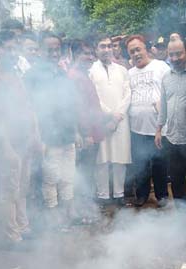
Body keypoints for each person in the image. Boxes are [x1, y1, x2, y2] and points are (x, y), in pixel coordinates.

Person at [0, 29, 38, 246]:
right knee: (9, 190)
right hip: (8, 143)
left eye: (16, 49)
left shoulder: (14, 74)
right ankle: (12, 236)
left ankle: (23, 226)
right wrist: (5, 147)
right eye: (9, 48)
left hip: (23, 140)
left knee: (22, 187)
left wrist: (35, 136)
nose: (13, 53)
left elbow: (28, 107)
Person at [25, 33, 80, 227]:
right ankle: (53, 216)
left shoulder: (61, 72)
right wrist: (37, 136)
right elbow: (29, 108)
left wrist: (76, 131)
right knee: (51, 179)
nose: (55, 53)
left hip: (66, 134)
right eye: (50, 49)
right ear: (40, 51)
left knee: (68, 176)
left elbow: (70, 104)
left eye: (57, 49)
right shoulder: (32, 75)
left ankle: (69, 211)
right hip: (48, 136)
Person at [154, 40, 186, 220]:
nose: (175, 58)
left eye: (179, 54)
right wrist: (159, 129)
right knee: (176, 180)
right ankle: (182, 219)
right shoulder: (166, 77)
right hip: (172, 137)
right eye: (172, 54)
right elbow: (164, 106)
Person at [126, 35, 170, 207]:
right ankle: (142, 195)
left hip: (158, 127)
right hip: (136, 127)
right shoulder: (129, 73)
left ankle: (162, 196)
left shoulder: (161, 66)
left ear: (146, 49)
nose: (136, 54)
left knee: (160, 163)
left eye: (138, 49)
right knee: (140, 163)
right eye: (132, 51)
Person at [89, 36, 132, 206]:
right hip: (101, 121)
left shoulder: (122, 70)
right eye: (102, 46)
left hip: (121, 121)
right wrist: (109, 115)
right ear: (96, 49)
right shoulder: (91, 71)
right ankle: (103, 195)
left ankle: (119, 194)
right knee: (102, 159)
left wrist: (118, 115)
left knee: (119, 159)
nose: (106, 49)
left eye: (109, 46)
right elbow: (92, 97)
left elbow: (127, 94)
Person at [68, 39, 107, 220]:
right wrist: (86, 134)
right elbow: (77, 110)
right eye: (86, 53)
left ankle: (86, 211)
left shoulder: (82, 75)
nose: (90, 57)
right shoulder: (74, 77)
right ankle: (82, 214)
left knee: (87, 174)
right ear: (75, 54)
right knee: (83, 176)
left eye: (92, 53)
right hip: (87, 136)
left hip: (93, 133)